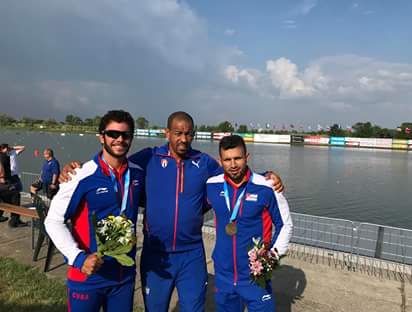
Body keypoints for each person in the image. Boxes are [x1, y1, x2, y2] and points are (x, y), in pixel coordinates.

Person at [61, 111, 284, 312]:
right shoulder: (148, 158)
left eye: (188, 134)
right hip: (157, 254)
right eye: (178, 133)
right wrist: (76, 168)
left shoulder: (204, 162)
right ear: (167, 133)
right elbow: (115, 163)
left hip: (192, 255)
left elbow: (235, 172)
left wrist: (266, 176)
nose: (183, 139)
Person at [45, 110, 145, 312]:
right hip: (88, 276)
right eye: (113, 134)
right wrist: (78, 258)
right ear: (101, 137)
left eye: (125, 135)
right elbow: (53, 220)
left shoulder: (138, 173)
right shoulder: (80, 175)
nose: (119, 139)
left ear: (131, 138)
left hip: (123, 277)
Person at [206, 135, 293, 312]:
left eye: (238, 158)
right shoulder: (211, 185)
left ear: (247, 157)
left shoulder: (268, 187)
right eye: (227, 160)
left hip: (254, 275)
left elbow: (285, 225)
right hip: (224, 275)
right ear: (220, 161)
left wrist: (271, 257)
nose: (233, 165)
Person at [0, 144, 28, 227]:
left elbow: (23, 147)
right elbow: (2, 169)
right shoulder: (3, 157)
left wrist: (11, 148)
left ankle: (13, 219)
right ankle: (14, 220)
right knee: (15, 195)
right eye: (6, 148)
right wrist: (2, 177)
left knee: (7, 196)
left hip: (11, 178)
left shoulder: (11, 153)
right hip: (6, 180)